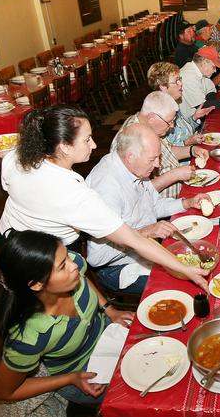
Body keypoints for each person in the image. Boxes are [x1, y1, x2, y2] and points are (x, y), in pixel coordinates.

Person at [0, 229, 192, 417]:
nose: (75, 264)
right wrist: (71, 379)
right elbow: (4, 392)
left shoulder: (71, 272)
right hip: (82, 373)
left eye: (68, 256)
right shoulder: (28, 337)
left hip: (108, 336)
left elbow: (82, 278)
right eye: (63, 265)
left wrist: (109, 309)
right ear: (36, 284)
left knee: (174, 349)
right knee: (145, 401)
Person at [0, 105, 207, 288]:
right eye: (87, 140)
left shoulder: (16, 157)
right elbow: (133, 240)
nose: (94, 145)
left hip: (10, 237)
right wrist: (185, 270)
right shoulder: (74, 194)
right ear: (64, 147)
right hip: (40, 255)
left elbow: (6, 174)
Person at [87, 123, 209, 294]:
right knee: (188, 285)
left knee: (201, 255)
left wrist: (186, 203)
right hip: (118, 267)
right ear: (130, 156)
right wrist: (146, 232)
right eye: (152, 159)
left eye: (158, 157)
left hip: (147, 247)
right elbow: (96, 258)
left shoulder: (135, 168)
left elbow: (153, 205)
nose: (158, 165)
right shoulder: (107, 187)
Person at [123, 91, 209, 199]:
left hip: (177, 197)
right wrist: (175, 175)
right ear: (152, 118)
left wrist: (192, 150)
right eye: (169, 122)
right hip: (161, 210)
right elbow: (139, 193)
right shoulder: (132, 138)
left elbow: (167, 151)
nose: (172, 126)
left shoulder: (150, 126)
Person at [147, 61, 213, 147]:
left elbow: (184, 130)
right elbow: (165, 152)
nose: (181, 84)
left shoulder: (173, 103)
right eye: (176, 81)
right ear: (163, 87)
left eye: (180, 79)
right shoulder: (159, 115)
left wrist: (195, 117)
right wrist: (188, 142)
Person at [179, 48, 220, 122]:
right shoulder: (188, 76)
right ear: (204, 62)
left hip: (202, 116)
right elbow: (202, 106)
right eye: (214, 67)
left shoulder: (200, 71)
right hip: (190, 123)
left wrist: (212, 103)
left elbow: (210, 90)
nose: (215, 71)